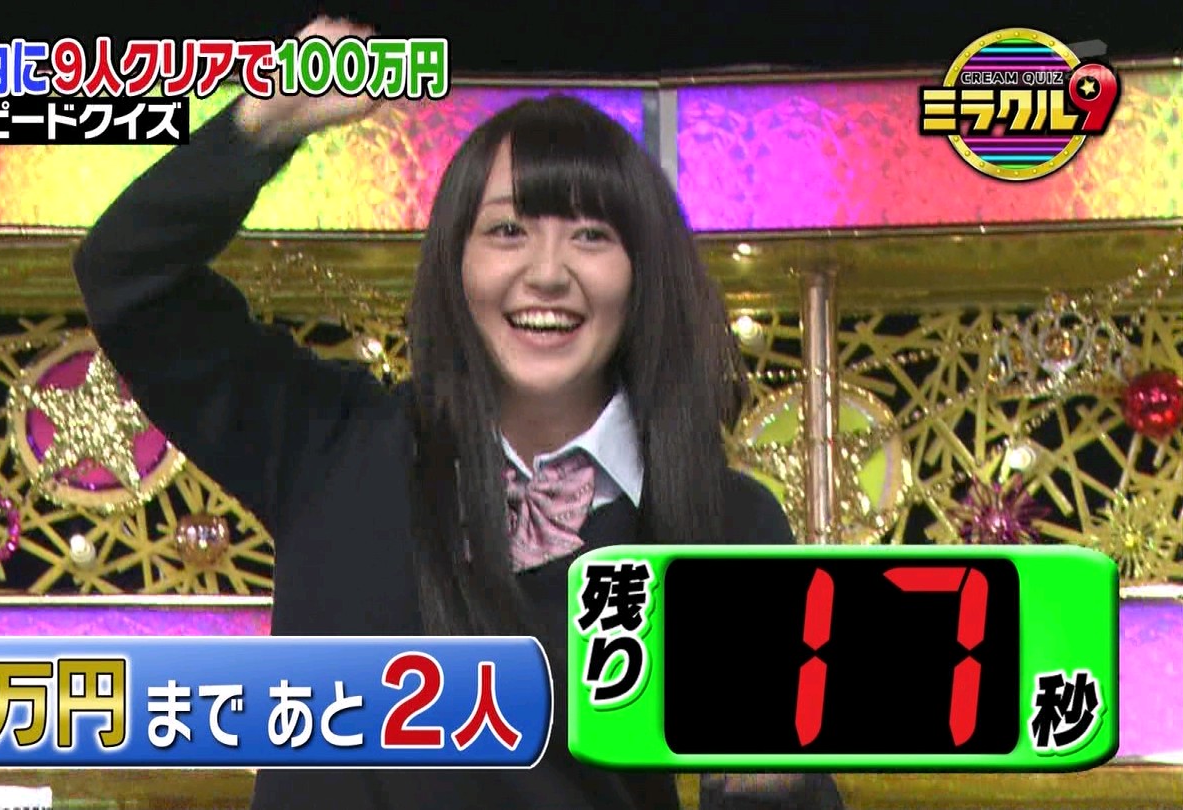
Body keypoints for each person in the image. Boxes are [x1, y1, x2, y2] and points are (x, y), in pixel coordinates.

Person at [74, 16, 843, 810]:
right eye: (507, 231)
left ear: (643, 275)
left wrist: (775, 772)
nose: (547, 273)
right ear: (455, 263)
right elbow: (128, 278)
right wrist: (260, 127)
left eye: (591, 235)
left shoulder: (726, 521)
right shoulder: (331, 446)